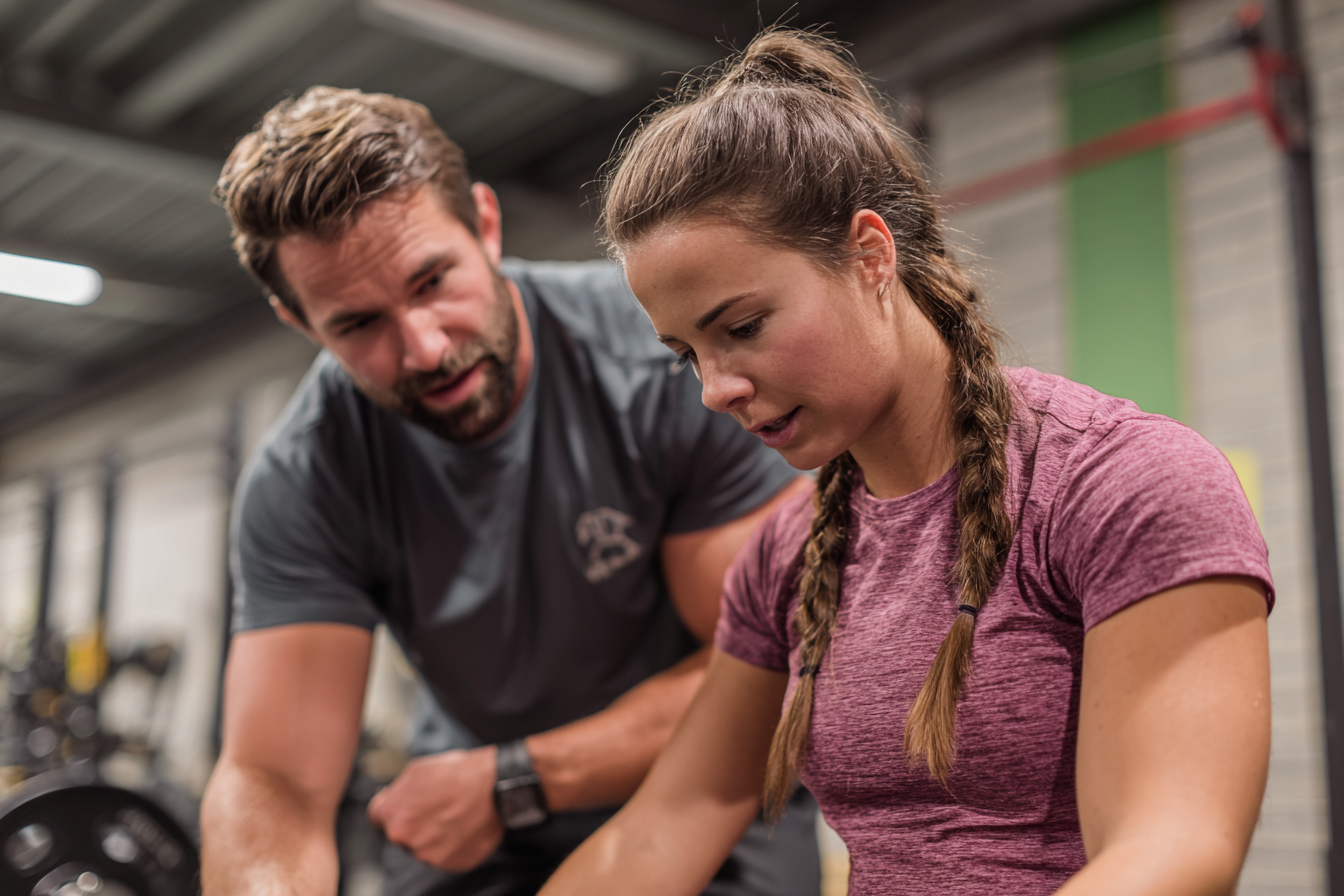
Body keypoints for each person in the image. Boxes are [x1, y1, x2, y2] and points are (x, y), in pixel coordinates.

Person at [539, 29, 1274, 896]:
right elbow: (664, 831)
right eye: (685, 353)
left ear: (871, 256)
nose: (715, 389)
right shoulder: (787, 556)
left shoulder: (1122, 485)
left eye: (741, 328)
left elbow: (1174, 851)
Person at [199, 86, 821, 896]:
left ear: (485, 226)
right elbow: (275, 780)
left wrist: (522, 779)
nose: (423, 348)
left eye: (432, 282)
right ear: (300, 322)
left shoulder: (670, 364)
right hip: (470, 807)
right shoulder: (307, 476)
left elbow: (770, 672)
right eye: (358, 325)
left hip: (710, 784)